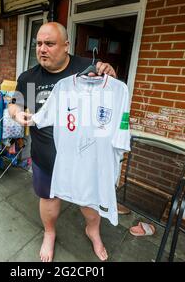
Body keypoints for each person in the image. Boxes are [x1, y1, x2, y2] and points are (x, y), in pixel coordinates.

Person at [8, 22, 117, 262]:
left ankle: (93, 231)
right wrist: (16, 113)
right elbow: (14, 102)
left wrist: (109, 74)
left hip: (84, 157)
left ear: (66, 45)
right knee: (48, 199)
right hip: (46, 156)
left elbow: (108, 97)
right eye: (38, 44)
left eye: (49, 43)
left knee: (89, 201)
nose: (42, 49)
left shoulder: (87, 68)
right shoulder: (29, 77)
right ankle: (49, 232)